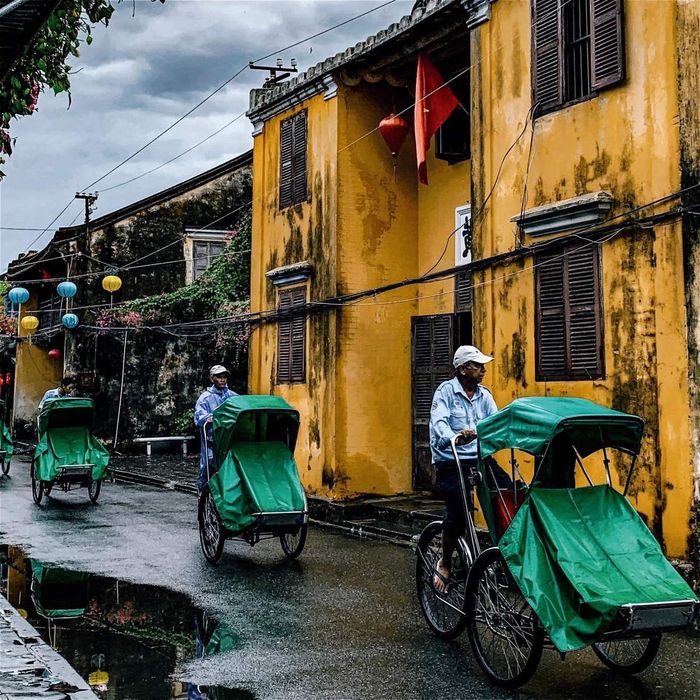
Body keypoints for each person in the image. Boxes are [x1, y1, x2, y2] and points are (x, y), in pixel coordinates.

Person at [428, 345, 507, 592]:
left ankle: (505, 558)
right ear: (463, 369)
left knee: (508, 496)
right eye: (477, 365)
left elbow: (494, 422)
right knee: (458, 514)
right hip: (451, 458)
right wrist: (454, 436)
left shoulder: (485, 395)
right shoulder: (445, 392)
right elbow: (439, 422)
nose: (483, 370)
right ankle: (445, 561)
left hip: (478, 458)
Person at [194, 365, 237, 492]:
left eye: (224, 377)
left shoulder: (233, 396)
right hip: (212, 441)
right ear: (212, 378)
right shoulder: (205, 398)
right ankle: (204, 494)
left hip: (230, 440)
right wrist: (211, 418)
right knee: (209, 467)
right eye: (219, 377)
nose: (223, 379)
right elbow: (199, 418)